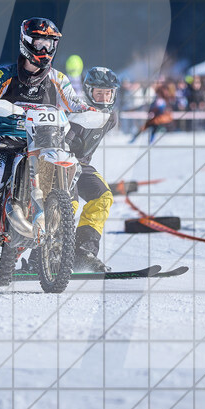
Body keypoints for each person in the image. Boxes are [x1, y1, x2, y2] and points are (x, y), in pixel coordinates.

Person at [0, 17, 91, 244]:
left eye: (50, 44)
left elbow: (75, 103)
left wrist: (93, 111)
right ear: (26, 42)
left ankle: (59, 232)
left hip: (46, 140)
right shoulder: (4, 74)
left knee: (69, 171)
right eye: (39, 43)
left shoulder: (57, 77)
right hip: (11, 139)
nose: (45, 49)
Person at [67, 67, 120, 272]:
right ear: (89, 92)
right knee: (68, 203)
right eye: (99, 93)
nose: (104, 98)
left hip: (82, 165)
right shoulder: (76, 114)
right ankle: (46, 254)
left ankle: (83, 252)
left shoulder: (111, 118)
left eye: (109, 93)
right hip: (60, 164)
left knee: (103, 196)